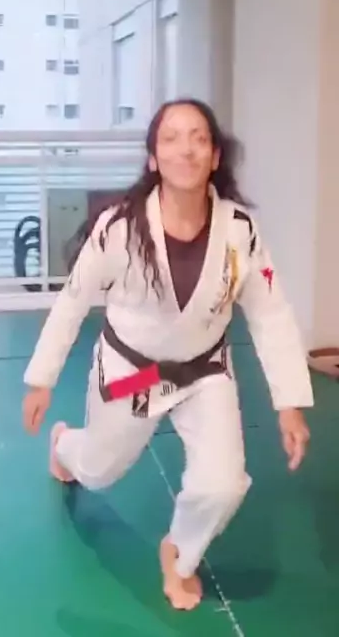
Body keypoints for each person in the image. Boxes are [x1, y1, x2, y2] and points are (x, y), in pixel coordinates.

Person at [22, 98, 313, 611]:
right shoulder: (119, 227)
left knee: (222, 483)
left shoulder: (240, 230)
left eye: (199, 138)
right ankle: (65, 445)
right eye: (172, 139)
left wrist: (289, 401)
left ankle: (179, 553)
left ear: (215, 156)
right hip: (134, 371)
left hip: (205, 371)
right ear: (153, 158)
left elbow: (270, 310)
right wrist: (42, 378)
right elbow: (73, 299)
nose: (186, 149)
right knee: (100, 469)